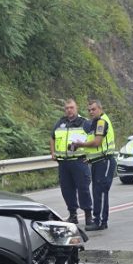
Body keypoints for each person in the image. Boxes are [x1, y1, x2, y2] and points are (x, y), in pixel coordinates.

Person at [51, 98, 92, 228]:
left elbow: (93, 139)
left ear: (76, 108)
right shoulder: (60, 123)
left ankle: (88, 215)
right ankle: (73, 215)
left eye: (71, 107)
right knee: (67, 190)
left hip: (79, 161)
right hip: (64, 163)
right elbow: (52, 137)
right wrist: (52, 152)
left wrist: (90, 156)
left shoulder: (84, 122)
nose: (69, 110)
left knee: (83, 189)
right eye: (67, 108)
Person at [81, 98, 118, 231]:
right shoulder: (96, 122)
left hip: (105, 161)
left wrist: (80, 144)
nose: (91, 112)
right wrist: (90, 159)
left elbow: (97, 142)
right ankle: (98, 220)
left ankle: (100, 221)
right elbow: (96, 148)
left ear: (100, 109)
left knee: (101, 191)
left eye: (93, 109)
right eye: (89, 110)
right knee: (96, 191)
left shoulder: (101, 122)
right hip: (98, 161)